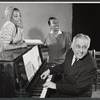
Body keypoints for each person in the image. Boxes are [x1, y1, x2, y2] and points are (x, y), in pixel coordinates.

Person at [41, 33, 97, 98]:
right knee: (49, 92)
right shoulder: (70, 52)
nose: (81, 50)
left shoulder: (91, 65)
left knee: (49, 95)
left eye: (84, 47)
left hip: (79, 95)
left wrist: (55, 86)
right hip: (68, 84)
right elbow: (64, 65)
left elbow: (77, 89)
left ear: (88, 47)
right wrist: (50, 70)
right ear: (72, 46)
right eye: (78, 46)